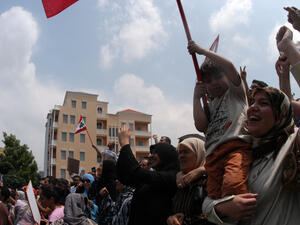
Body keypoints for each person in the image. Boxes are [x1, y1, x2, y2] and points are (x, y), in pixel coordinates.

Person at [203, 86, 300, 225]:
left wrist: (292, 66)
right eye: (252, 102)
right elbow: (207, 202)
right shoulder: (237, 150)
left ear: (281, 112)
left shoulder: (293, 144)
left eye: (264, 103)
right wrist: (221, 208)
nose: (252, 107)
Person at [188, 40, 252, 199]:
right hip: (212, 155)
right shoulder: (210, 106)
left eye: (218, 77)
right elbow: (200, 125)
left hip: (234, 148)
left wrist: (202, 51)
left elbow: (229, 66)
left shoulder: (236, 93)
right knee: (214, 196)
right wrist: (196, 98)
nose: (214, 82)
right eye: (208, 81)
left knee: (233, 186)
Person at [117, 126, 180, 225]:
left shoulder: (171, 177)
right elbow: (124, 176)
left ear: (166, 155)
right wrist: (122, 149)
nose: (150, 156)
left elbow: (137, 172)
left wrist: (125, 144)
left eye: (155, 153)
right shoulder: (155, 175)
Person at [167, 138, 213, 225]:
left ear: (199, 154)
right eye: (179, 153)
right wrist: (171, 218)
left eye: (185, 152)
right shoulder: (179, 181)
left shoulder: (211, 179)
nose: (181, 156)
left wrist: (203, 170)